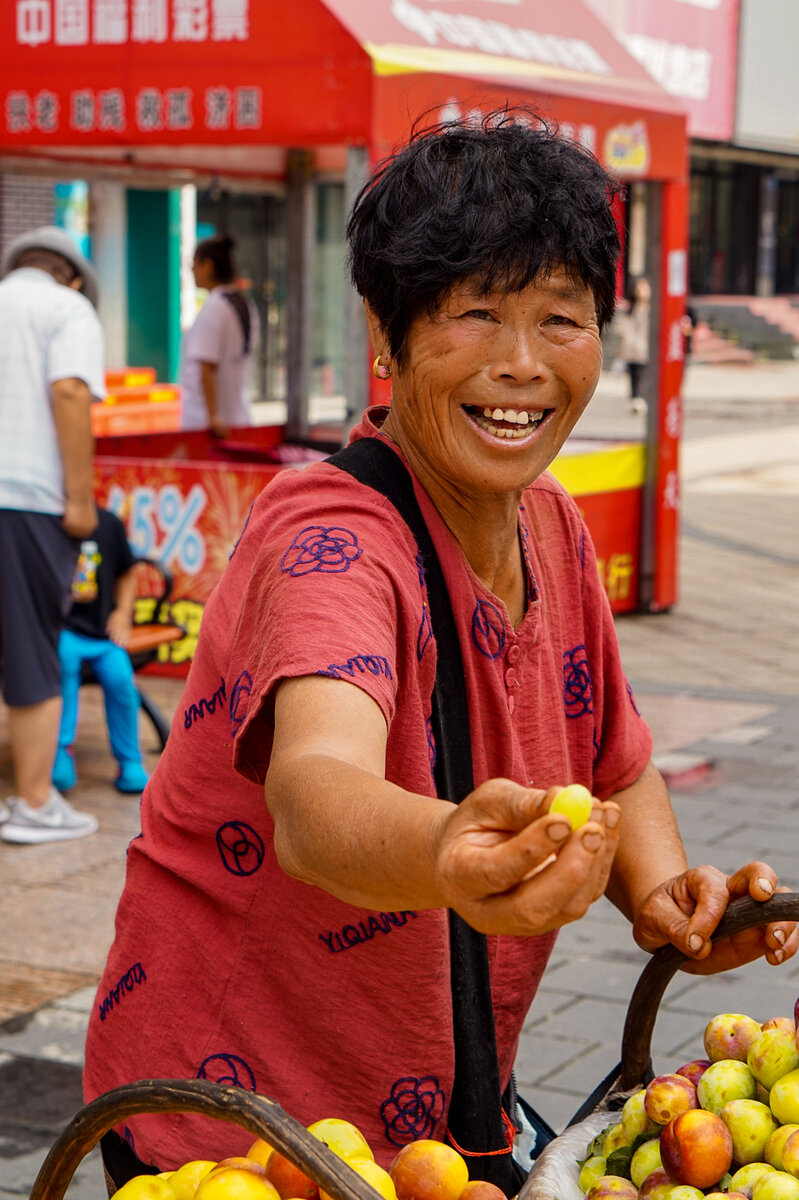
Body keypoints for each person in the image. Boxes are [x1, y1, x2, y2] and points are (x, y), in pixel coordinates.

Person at [84, 112, 797, 1188]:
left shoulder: (548, 519)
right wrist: (448, 849)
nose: (520, 365)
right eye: (474, 314)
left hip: (432, 1122)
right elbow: (317, 789)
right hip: (240, 1119)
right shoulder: (331, 542)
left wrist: (663, 899)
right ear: (387, 331)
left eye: (562, 317)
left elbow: (616, 757)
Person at [0, 225, 104, 845]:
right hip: (29, 501)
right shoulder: (68, 309)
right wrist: (80, 499)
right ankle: (34, 803)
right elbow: (68, 390)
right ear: (70, 276)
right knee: (33, 649)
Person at [52, 507, 150, 797]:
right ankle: (59, 750)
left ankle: (129, 760)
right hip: (63, 629)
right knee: (63, 670)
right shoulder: (47, 521)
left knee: (121, 679)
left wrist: (122, 612)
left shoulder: (108, 523)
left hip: (102, 633)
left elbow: (126, 574)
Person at [179, 233, 259, 437]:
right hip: (238, 417)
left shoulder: (215, 307)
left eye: (194, 264)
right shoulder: (245, 305)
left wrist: (213, 415)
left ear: (207, 266)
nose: (191, 271)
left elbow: (206, 366)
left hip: (210, 426)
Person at [617, 275, 651, 415]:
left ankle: (642, 399)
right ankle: (636, 399)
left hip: (645, 348)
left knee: (643, 375)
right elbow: (623, 328)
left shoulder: (651, 310)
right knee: (633, 375)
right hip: (631, 349)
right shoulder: (631, 309)